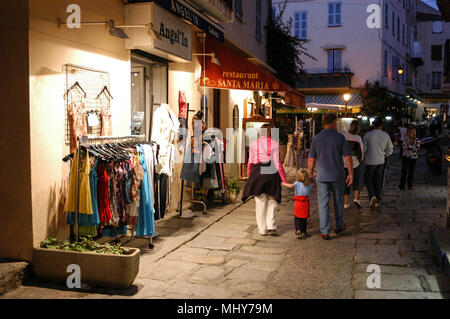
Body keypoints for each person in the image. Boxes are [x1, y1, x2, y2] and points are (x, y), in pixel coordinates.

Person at [308, 113, 353, 240]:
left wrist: (310, 173)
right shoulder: (340, 137)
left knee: (323, 203)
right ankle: (338, 226)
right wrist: (351, 173)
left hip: (322, 176)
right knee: (339, 201)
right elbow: (348, 157)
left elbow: (311, 158)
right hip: (338, 175)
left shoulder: (317, 138)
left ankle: (325, 231)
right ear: (333, 122)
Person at [242, 124, 287, 236]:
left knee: (260, 200)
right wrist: (283, 178)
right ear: (270, 133)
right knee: (273, 199)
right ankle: (271, 224)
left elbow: (250, 162)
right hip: (271, 173)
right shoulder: (274, 144)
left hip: (257, 173)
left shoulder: (254, 144)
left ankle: (262, 229)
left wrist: (249, 175)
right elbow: (278, 163)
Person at [363, 118, 394, 209]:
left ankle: (372, 196)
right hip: (381, 161)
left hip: (370, 161)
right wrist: (385, 155)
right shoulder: (385, 135)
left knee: (368, 179)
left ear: (373, 125)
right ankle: (377, 199)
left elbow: (364, 149)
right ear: (381, 125)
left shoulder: (368, 135)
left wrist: (363, 155)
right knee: (378, 180)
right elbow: (390, 149)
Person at [283, 169, 314, 240]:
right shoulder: (308, 184)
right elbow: (313, 183)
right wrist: (311, 177)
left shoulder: (297, 183)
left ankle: (298, 230)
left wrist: (284, 184)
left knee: (297, 217)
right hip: (305, 203)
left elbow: (291, 186)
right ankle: (304, 231)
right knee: (304, 218)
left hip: (298, 203)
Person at [341, 120, 364, 209]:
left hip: (344, 162)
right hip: (355, 163)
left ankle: (346, 203)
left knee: (346, 183)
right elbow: (361, 151)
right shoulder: (358, 138)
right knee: (356, 181)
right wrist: (360, 160)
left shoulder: (344, 136)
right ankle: (355, 199)